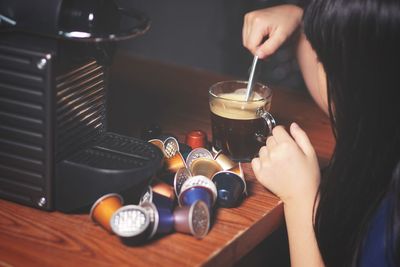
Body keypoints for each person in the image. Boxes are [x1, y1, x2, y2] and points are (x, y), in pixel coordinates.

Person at [242, 1, 400, 266]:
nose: (316, 67)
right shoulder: (384, 108)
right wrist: (300, 22)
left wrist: (301, 199)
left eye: (323, 57)